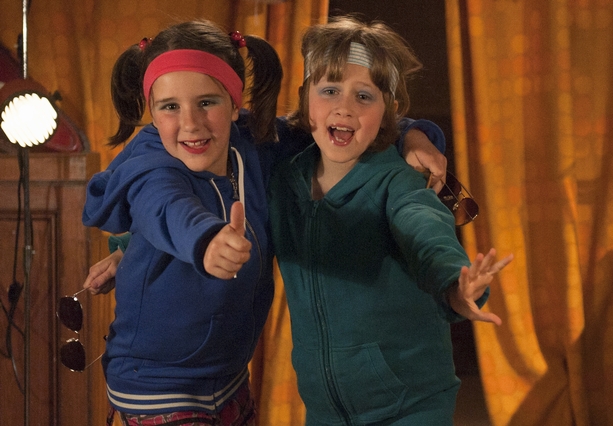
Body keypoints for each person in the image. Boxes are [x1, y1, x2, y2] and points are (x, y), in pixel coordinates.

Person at [81, 19, 448, 426]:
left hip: (229, 379)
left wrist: (413, 135)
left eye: (207, 102)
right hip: (156, 387)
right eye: (170, 107)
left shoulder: (258, 143)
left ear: (235, 103)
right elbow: (165, 206)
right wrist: (206, 240)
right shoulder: (150, 164)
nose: (191, 122)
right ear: (152, 111)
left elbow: (337, 125)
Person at [266, 16, 514, 425]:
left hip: (411, 404)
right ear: (305, 99)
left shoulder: (399, 182)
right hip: (325, 410)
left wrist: (456, 285)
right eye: (329, 90)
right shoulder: (282, 182)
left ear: (389, 115)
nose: (344, 106)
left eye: (364, 96)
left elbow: (425, 230)